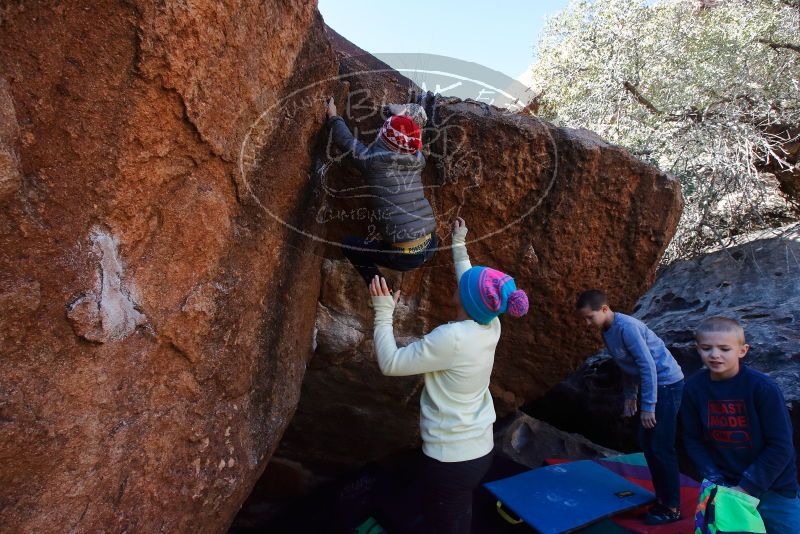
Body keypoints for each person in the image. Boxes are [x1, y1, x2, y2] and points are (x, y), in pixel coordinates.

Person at [368, 217, 529, 533]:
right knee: (453, 515)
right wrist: (458, 242)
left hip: (451, 462)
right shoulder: (490, 323)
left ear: (467, 300)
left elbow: (391, 364)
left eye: (463, 286)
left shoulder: (452, 338)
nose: (460, 283)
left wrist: (383, 312)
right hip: (478, 450)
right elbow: (472, 284)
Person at [575, 290, 685, 525]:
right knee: (647, 443)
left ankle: (672, 506)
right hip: (651, 386)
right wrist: (630, 397)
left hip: (666, 383)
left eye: (589, 317)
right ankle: (662, 498)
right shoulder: (606, 330)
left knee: (661, 445)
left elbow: (647, 367)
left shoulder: (627, 327)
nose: (586, 324)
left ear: (604, 309)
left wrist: (648, 406)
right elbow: (626, 365)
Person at [681, 316, 800, 533]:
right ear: (698, 349)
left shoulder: (762, 388)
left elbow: (781, 446)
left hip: (774, 488)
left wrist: (747, 486)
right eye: (707, 348)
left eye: (724, 348)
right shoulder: (693, 389)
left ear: (742, 350)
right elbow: (692, 439)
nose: (715, 354)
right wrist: (715, 479)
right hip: (725, 486)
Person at [326, 97, 437, 286]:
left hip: (404, 256)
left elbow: (345, 140)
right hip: (431, 243)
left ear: (383, 138)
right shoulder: (417, 160)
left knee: (349, 245)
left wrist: (333, 116)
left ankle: (382, 291)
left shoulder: (373, 161)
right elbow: (409, 134)